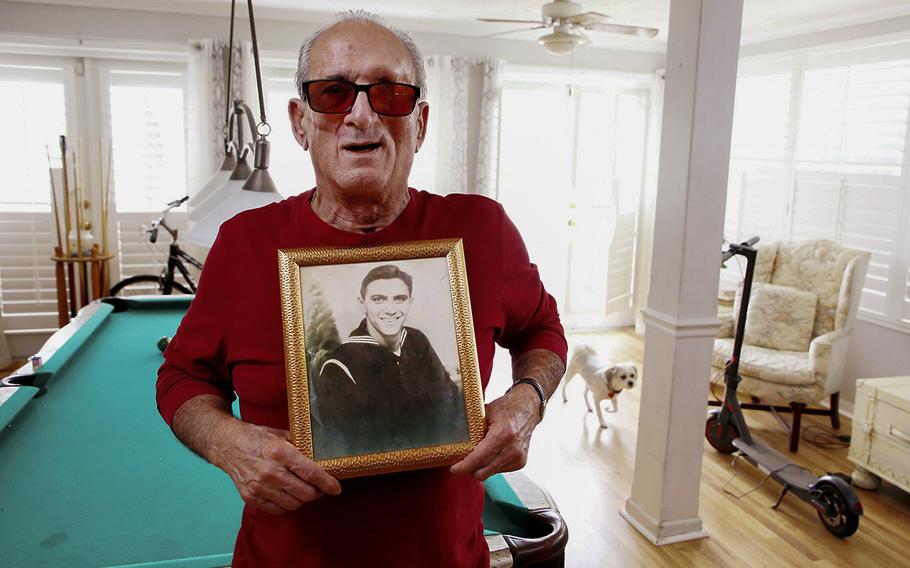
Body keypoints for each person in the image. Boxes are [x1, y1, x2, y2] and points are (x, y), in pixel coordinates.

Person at [156, 9, 567, 568]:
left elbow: (541, 329)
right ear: (300, 123)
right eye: (334, 93)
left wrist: (528, 401)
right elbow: (182, 376)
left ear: (420, 123)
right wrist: (226, 442)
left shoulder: (483, 230)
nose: (362, 116)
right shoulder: (243, 243)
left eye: (389, 93)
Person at [311, 264, 467, 458]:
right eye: (378, 299)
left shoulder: (416, 340)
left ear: (410, 301)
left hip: (439, 465)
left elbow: (450, 404)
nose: (391, 310)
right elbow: (351, 447)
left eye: (399, 299)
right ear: (362, 303)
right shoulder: (339, 365)